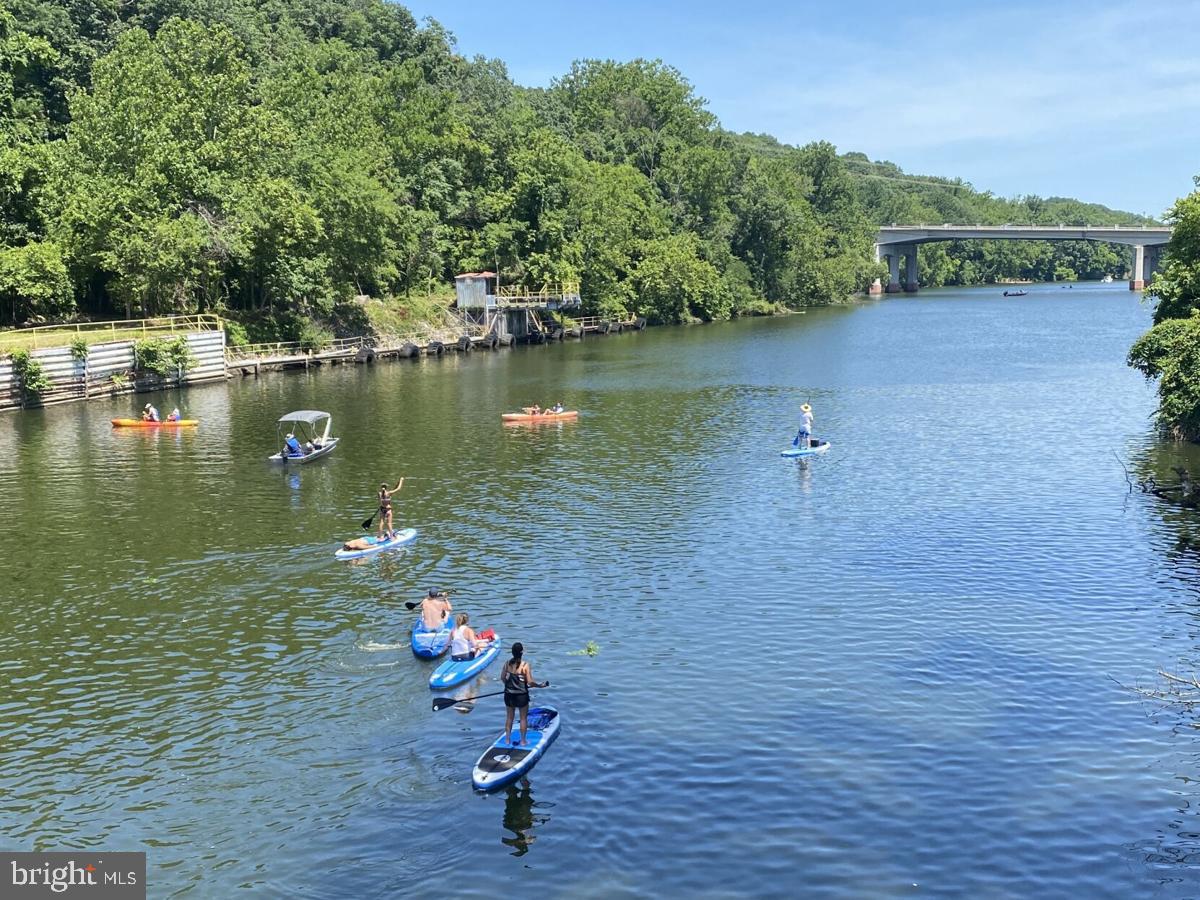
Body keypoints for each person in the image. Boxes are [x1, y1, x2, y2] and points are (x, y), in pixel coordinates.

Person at [502, 642, 548, 747]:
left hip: (508, 695)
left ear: (512, 652)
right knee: (523, 718)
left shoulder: (506, 664)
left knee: (509, 718)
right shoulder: (525, 666)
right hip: (521, 696)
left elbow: (503, 678)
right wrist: (540, 686)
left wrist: (509, 686)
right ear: (522, 652)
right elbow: (530, 682)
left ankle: (507, 740)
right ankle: (523, 741)